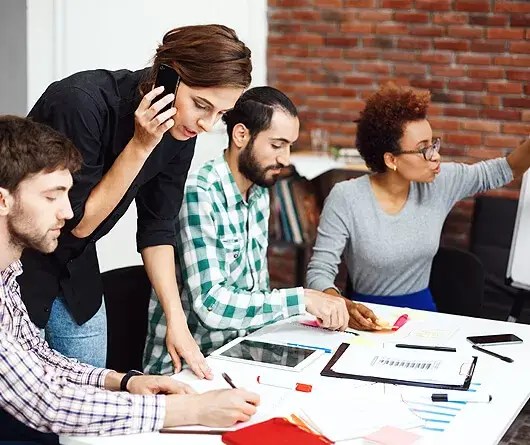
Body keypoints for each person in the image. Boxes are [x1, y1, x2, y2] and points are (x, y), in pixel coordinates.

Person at [0, 116, 259, 443]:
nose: (68, 212)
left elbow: (39, 360)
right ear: (3, 201)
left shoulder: (9, 274)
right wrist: (192, 410)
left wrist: (125, 382)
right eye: (52, 197)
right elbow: (46, 401)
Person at [19, 24, 252, 376]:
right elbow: (79, 223)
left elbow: (158, 228)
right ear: (167, 76)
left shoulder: (179, 130)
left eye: (220, 114)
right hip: (19, 268)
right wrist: (141, 146)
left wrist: (177, 321)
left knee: (91, 392)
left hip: (76, 270)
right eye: (202, 105)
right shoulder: (81, 103)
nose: (206, 124)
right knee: (31, 406)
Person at [143, 86, 379, 373]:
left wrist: (325, 303)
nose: (285, 159)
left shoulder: (258, 192)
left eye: (289, 146)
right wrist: (302, 299)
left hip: (242, 352)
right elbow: (212, 306)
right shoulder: (200, 192)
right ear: (241, 135)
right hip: (188, 366)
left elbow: (256, 291)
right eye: (277, 145)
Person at [306, 84, 530, 311]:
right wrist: (342, 305)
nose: (436, 156)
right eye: (424, 149)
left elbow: (505, 169)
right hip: (367, 318)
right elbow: (319, 272)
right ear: (391, 160)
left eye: (434, 144)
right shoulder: (346, 197)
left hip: (423, 319)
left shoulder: (440, 182)